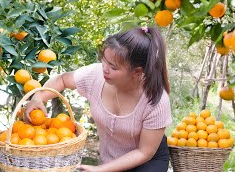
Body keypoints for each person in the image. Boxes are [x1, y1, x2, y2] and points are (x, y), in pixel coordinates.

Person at [24, 27, 172, 172]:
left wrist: (101, 170)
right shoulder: (95, 76)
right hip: (110, 160)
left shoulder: (156, 100)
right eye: (104, 60)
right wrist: (38, 97)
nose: (105, 69)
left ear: (137, 71)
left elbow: (144, 152)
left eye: (113, 67)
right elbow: (63, 80)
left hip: (146, 162)